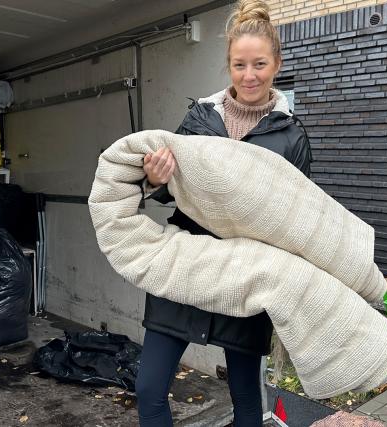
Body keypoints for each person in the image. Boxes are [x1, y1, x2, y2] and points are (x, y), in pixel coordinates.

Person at [135, 1, 312, 425]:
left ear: (277, 64)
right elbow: (164, 192)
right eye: (238, 65)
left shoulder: (292, 137)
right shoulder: (199, 119)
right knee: (149, 388)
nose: (249, 75)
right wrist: (155, 178)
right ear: (228, 66)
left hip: (244, 276)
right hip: (185, 265)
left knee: (247, 399)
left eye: (259, 64)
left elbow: (304, 220)